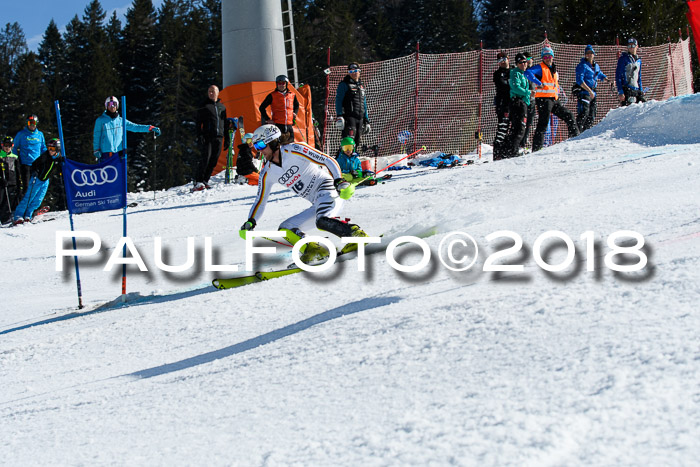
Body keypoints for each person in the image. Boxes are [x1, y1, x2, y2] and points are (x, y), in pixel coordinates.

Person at [239, 124, 368, 265]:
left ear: (273, 141)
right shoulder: (267, 172)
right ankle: (314, 250)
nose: (259, 151)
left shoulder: (295, 150)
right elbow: (261, 200)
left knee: (322, 221)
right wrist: (251, 221)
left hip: (327, 190)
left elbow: (326, 159)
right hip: (316, 202)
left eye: (261, 145)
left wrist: (338, 180)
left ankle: (356, 235)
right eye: (256, 147)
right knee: (286, 229)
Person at [525, 46, 580, 152]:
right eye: (545, 56)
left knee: (569, 115)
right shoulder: (540, 67)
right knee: (543, 123)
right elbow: (527, 73)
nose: (548, 58)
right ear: (542, 58)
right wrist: (538, 83)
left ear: (553, 57)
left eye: (549, 56)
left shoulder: (553, 69)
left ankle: (575, 138)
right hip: (543, 100)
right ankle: (536, 148)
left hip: (554, 100)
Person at [94, 96, 160, 162]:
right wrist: (96, 149)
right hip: (106, 152)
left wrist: (150, 128)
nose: (112, 106)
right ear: (106, 106)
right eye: (110, 104)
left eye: (114, 104)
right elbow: (97, 136)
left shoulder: (121, 121)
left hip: (118, 152)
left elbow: (135, 127)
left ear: (117, 106)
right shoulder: (100, 120)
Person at [13, 138, 61, 224]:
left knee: (38, 200)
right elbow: (34, 164)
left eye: (52, 149)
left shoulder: (58, 158)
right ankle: (18, 215)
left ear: (57, 149)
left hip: (45, 181)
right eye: (49, 148)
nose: (50, 151)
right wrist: (35, 171)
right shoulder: (45, 156)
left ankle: (28, 215)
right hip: (37, 179)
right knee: (29, 197)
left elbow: (60, 168)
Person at [194, 85, 228, 190]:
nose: (211, 93)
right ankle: (198, 181)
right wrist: (199, 135)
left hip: (219, 136)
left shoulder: (222, 107)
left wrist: (227, 139)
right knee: (206, 158)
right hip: (207, 136)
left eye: (213, 91)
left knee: (214, 160)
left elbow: (225, 123)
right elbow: (198, 122)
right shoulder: (204, 106)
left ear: (218, 93)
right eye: (209, 91)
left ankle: (205, 180)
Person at [335, 62, 371, 148]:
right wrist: (339, 115)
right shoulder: (344, 84)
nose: (354, 73)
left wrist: (366, 119)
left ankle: (354, 160)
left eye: (355, 71)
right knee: (348, 141)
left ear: (359, 72)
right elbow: (338, 100)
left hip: (360, 117)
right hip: (349, 117)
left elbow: (364, 103)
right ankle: (343, 160)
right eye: (351, 71)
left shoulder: (361, 86)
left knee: (357, 141)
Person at [575, 45, 609, 132]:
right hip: (584, 92)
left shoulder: (596, 66)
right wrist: (589, 90)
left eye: (591, 53)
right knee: (584, 113)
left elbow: (599, 74)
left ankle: (587, 131)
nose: (589, 55)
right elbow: (579, 80)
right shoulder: (582, 65)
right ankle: (577, 132)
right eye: (587, 53)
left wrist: (606, 79)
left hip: (593, 92)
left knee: (592, 114)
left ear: (594, 54)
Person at [506, 53, 532, 158]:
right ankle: (513, 150)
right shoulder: (515, 73)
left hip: (523, 102)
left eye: (525, 62)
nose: (523, 64)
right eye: (521, 62)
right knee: (519, 127)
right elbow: (516, 88)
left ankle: (513, 149)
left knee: (520, 127)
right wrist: (528, 92)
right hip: (517, 103)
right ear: (517, 64)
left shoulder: (523, 73)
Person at [259, 75, 299, 143]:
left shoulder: (292, 95)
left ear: (286, 84)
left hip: (289, 124)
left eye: (283, 83)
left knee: (291, 144)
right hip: (278, 125)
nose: (281, 85)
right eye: (279, 83)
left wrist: (295, 113)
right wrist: (267, 119)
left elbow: (297, 105)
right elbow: (261, 107)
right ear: (276, 84)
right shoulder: (272, 95)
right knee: (279, 145)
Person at [13, 114, 46, 195]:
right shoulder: (21, 134)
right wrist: (15, 159)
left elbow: (43, 148)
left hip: (37, 165)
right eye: (29, 123)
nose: (32, 125)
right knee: (27, 186)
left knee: (37, 186)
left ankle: (34, 206)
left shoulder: (40, 134)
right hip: (26, 164)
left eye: (33, 123)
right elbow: (14, 146)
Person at [616, 38, 646, 106]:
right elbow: (618, 76)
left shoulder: (638, 61)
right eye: (629, 46)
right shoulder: (623, 59)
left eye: (633, 46)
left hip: (636, 89)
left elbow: (639, 76)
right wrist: (620, 91)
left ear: (637, 46)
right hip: (627, 89)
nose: (631, 48)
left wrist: (641, 90)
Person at [492, 51, 511, 160]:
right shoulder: (498, 73)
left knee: (513, 129)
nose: (502, 62)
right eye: (500, 61)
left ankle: (507, 151)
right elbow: (504, 86)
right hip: (503, 104)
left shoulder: (513, 70)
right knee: (502, 128)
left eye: (504, 59)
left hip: (514, 103)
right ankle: (498, 153)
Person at [0, 136, 22, 224]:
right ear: (2, 145)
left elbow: (18, 171)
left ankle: (5, 218)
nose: (7, 147)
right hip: (2, 182)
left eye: (9, 145)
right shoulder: (0, 155)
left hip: (12, 182)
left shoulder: (14, 157)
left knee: (9, 200)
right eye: (5, 145)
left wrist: (19, 182)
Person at [521, 51, 537, 150]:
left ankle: (524, 142)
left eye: (529, 59)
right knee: (523, 122)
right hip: (524, 100)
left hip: (532, 100)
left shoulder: (535, 70)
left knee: (529, 123)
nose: (527, 61)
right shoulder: (522, 72)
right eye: (525, 60)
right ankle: (520, 142)